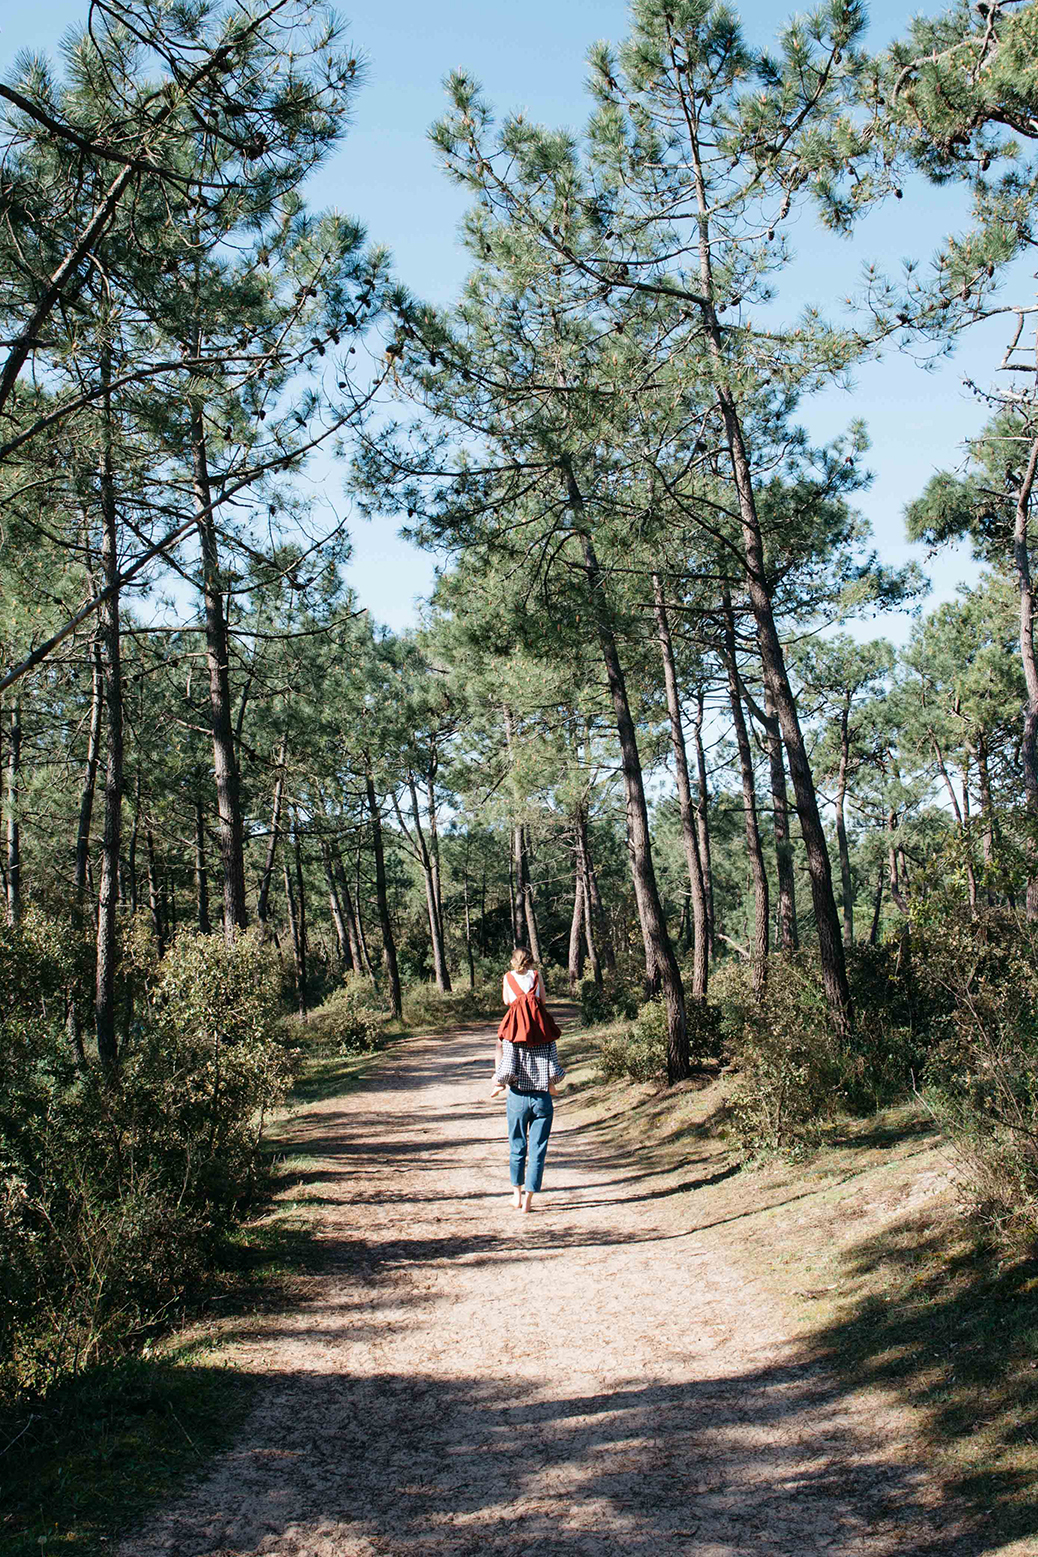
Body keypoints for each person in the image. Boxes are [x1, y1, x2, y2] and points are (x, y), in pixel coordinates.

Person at [489, 948, 565, 1213]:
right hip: (542, 1095)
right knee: (539, 1149)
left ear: (513, 961)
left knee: (517, 1147)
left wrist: (502, 1079)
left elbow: (506, 1001)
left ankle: (516, 1195)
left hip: (519, 1096)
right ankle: (530, 1200)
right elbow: (542, 1000)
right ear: (531, 961)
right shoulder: (536, 976)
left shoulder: (508, 977)